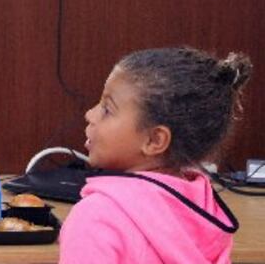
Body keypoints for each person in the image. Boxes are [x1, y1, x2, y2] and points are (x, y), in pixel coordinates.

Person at [59, 47, 251, 264]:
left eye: (107, 109)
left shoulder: (97, 217)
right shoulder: (205, 210)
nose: (90, 114)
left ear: (154, 141)